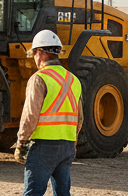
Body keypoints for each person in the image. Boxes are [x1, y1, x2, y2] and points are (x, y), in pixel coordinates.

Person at [15, 29, 83, 196]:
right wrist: (72, 141)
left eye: (34, 55)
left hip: (44, 146)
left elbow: (30, 115)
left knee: (33, 193)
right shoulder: (73, 80)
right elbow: (79, 117)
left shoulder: (39, 78)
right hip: (67, 146)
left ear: (41, 53)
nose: (35, 60)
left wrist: (21, 142)